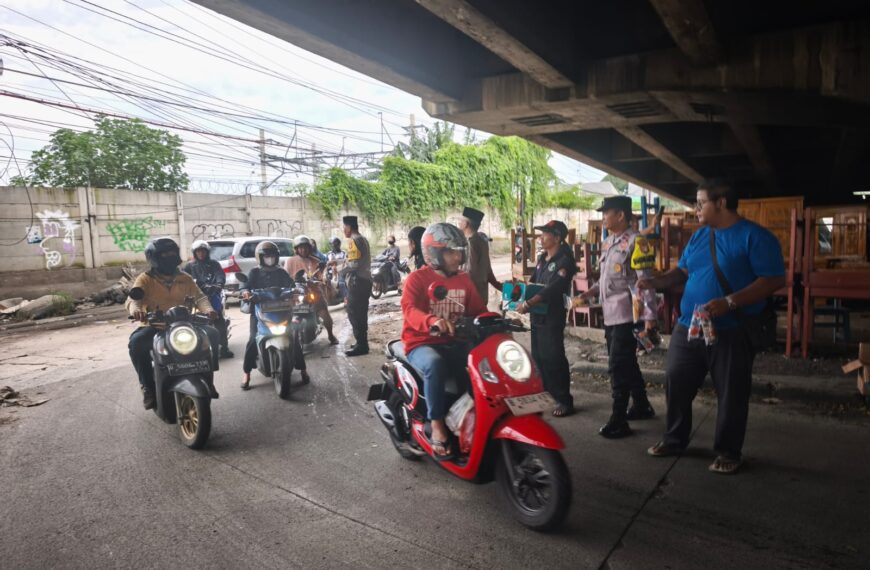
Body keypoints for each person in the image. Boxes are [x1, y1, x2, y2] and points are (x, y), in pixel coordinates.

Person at [639, 179, 785, 474]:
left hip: (731, 329)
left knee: (731, 392)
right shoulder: (699, 236)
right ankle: (675, 438)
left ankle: (729, 451)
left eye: (700, 202)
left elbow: (772, 280)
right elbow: (682, 271)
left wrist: (730, 301)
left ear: (721, 203)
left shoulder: (754, 236)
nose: (695, 208)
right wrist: (655, 282)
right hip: (688, 325)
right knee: (676, 382)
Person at [401, 223, 487, 459]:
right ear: (434, 253)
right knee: (435, 365)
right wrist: (432, 321)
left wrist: (495, 321)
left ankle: (470, 417)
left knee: (482, 366)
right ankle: (437, 423)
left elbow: (479, 310)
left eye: (459, 251)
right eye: (451, 251)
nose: (457, 256)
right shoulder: (417, 279)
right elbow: (409, 310)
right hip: (421, 343)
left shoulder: (464, 279)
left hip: (455, 341)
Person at [577, 196, 658, 439]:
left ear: (620, 215)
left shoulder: (638, 242)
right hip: (610, 316)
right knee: (627, 363)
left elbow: (647, 283)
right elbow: (604, 279)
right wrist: (589, 293)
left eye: (607, 212)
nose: (603, 217)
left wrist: (650, 317)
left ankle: (618, 419)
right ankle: (642, 405)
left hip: (627, 315)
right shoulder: (608, 243)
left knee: (617, 366)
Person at [127, 237, 218, 409]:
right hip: (156, 326)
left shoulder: (185, 277)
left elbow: (200, 297)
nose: (169, 257)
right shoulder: (145, 279)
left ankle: (208, 379)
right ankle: (147, 387)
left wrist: (208, 310)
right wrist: (137, 312)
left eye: (172, 253)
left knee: (212, 334)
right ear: (154, 257)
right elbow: (134, 299)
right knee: (137, 343)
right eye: (165, 254)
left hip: (185, 324)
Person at [517, 220, 577, 417]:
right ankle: (545, 395)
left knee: (554, 358)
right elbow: (534, 282)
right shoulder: (543, 259)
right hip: (537, 315)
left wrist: (529, 303)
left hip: (552, 315)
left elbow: (553, 289)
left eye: (545, 234)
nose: (541, 237)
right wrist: (517, 291)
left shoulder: (564, 261)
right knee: (539, 357)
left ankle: (564, 400)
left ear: (557, 238)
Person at [240, 240, 309, 390]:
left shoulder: (281, 272)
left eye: (272, 256)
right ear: (260, 257)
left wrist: (297, 290)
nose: (269, 258)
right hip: (260, 312)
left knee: (294, 339)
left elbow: (292, 285)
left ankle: (303, 370)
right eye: (266, 256)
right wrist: (245, 292)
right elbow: (245, 286)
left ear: (276, 257)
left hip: (282, 310)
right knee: (252, 340)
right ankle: (246, 373)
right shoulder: (254, 272)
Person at [182, 240, 233, 359]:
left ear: (207, 252)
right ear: (195, 253)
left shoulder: (214, 264)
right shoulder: (189, 266)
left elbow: (220, 275)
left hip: (212, 295)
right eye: (198, 251)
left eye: (203, 251)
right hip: (194, 298)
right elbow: (183, 280)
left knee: (218, 318)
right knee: (187, 320)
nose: (201, 253)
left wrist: (219, 285)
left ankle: (224, 348)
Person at [285, 234, 339, 345]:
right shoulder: (290, 261)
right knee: (285, 313)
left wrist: (321, 276)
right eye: (301, 247)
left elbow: (322, 277)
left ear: (310, 248)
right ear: (296, 249)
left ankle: (330, 335)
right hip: (297, 293)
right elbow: (285, 276)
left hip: (313, 291)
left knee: (324, 313)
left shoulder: (316, 261)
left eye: (306, 247)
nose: (303, 250)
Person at [340, 216, 372, 356]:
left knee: (354, 313)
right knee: (361, 313)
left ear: (349, 227)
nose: (343, 230)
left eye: (344, 227)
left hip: (357, 282)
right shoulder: (362, 239)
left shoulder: (353, 240)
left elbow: (354, 264)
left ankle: (361, 345)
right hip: (364, 281)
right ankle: (362, 342)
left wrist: (342, 272)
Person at [457, 207, 501, 306]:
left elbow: (469, 272)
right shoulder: (483, 242)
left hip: (469, 299)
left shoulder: (469, 243)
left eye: (460, 221)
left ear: (466, 224)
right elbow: (488, 271)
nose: (459, 224)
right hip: (482, 296)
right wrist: (499, 286)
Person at [326, 236, 348, 301]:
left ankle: (345, 298)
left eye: (336, 244)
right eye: (333, 244)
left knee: (341, 282)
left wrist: (337, 262)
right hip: (330, 272)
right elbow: (326, 264)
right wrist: (329, 263)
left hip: (341, 271)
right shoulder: (329, 254)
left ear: (339, 244)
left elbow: (346, 262)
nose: (335, 245)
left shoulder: (343, 253)